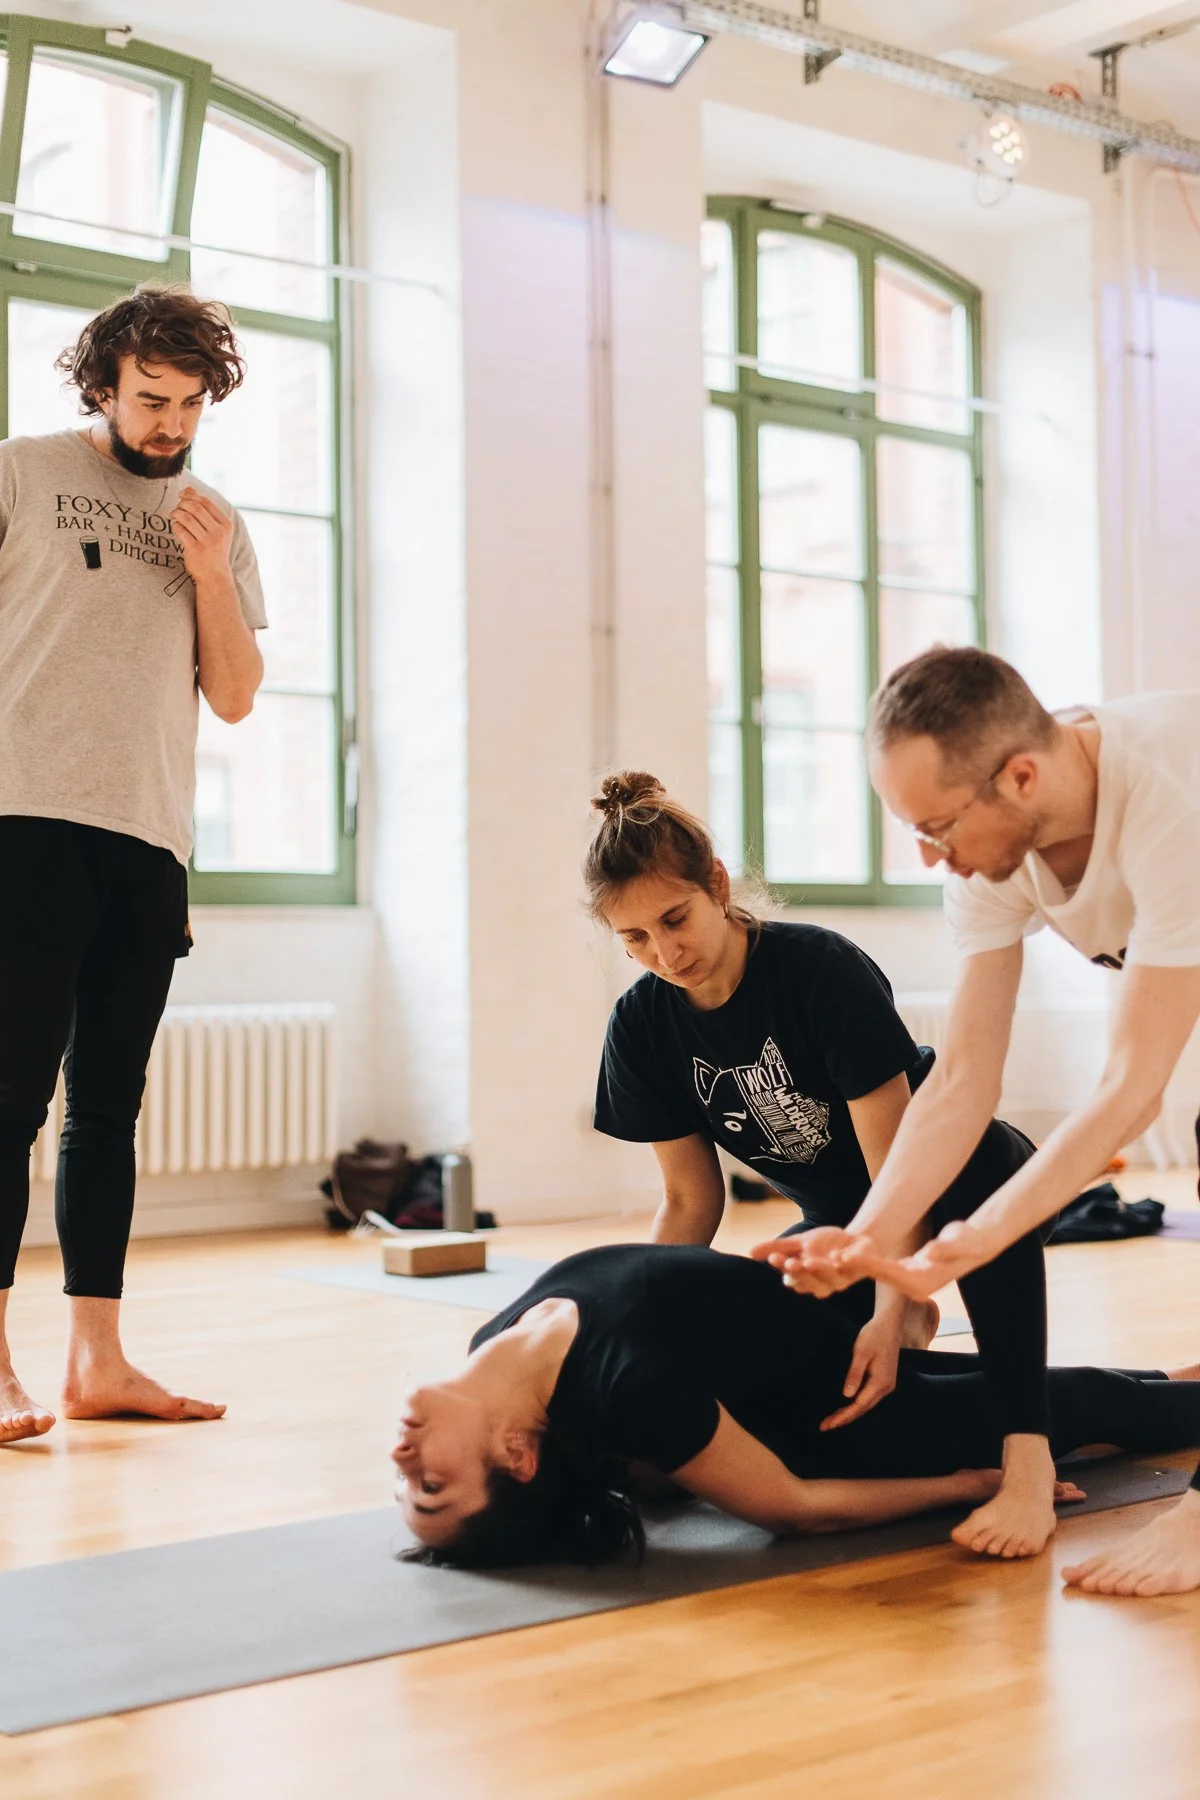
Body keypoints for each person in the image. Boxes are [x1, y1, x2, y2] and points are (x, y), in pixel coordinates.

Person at [763, 646, 1200, 1597]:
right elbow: (960, 1079)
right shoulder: (993, 856)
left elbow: (1132, 1084)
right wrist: (868, 1238)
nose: (930, 856)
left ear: (1022, 775)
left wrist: (965, 1243)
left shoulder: (1168, 797)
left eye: (937, 826)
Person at [585, 772, 1059, 1560]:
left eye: (674, 919)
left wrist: (883, 1305)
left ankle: (1027, 1452)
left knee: (963, 1203)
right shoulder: (641, 1027)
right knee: (790, 1380)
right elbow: (688, 1204)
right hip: (841, 1229)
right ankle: (1137, 1389)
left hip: (962, 1178)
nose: (663, 953)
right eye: (633, 939)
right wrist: (638, 1328)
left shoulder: (818, 972)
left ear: (716, 885)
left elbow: (897, 1166)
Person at [0, 284, 266, 1445]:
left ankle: (96, 1361)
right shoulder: (23, 472)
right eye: (150, 399)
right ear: (100, 385)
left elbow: (239, 697)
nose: (171, 423)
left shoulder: (218, 520)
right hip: (22, 823)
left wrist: (210, 575)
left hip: (148, 842)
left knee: (106, 1112)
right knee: (6, 1102)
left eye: (190, 402)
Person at [393, 1241, 1200, 1568]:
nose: (404, 1464)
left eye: (410, 1487)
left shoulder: (497, 1340)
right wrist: (973, 1484)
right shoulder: (628, 1385)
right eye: (432, 1487)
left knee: (1066, 1384)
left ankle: (1169, 1380)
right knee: (1090, 1406)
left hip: (852, 1357)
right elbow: (794, 1506)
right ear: (516, 1457)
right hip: (855, 1425)